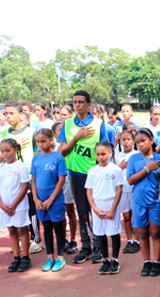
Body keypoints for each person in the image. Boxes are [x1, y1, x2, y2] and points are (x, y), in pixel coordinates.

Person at [59, 90, 114, 263]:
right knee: (82, 212)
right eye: (75, 102)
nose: (77, 105)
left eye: (81, 102)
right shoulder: (67, 124)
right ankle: (86, 246)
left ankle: (98, 246)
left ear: (88, 105)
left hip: (94, 174)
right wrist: (77, 137)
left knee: (95, 211)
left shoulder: (99, 124)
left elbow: (105, 149)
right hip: (75, 173)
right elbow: (63, 151)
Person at [1, 101, 42, 254]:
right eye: (6, 113)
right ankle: (19, 244)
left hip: (28, 177)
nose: (8, 116)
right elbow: (1, 156)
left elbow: (38, 153)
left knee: (30, 211)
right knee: (13, 211)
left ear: (20, 114)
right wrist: (14, 145)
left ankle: (35, 240)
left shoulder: (31, 132)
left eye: (12, 113)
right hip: (10, 178)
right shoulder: (4, 134)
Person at [127, 128, 160, 277]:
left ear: (151, 140)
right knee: (142, 233)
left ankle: (157, 262)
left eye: (143, 140)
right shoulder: (133, 159)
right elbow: (130, 180)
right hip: (138, 201)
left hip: (156, 201)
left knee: (155, 232)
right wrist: (147, 169)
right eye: (137, 142)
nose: (140, 144)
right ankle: (146, 261)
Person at [31, 128, 68, 272]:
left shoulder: (58, 158)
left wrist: (51, 199)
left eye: (43, 141)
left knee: (58, 228)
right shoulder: (36, 157)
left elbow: (61, 181)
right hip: (40, 200)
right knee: (46, 228)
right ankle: (50, 257)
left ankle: (60, 258)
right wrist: (35, 198)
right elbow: (33, 180)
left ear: (51, 140)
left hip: (55, 201)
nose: (40, 144)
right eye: (38, 142)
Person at [85, 141, 124, 274]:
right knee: (100, 233)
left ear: (110, 153)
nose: (100, 157)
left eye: (103, 154)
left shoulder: (116, 169)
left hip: (111, 203)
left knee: (113, 232)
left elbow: (119, 190)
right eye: (98, 154)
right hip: (97, 205)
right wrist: (94, 209)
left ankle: (115, 260)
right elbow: (89, 191)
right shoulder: (92, 171)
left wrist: (113, 208)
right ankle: (105, 260)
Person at [0, 139, 32, 272]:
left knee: (21, 230)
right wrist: (2, 205)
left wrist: (13, 205)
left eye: (8, 151)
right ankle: (16, 257)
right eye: (2, 151)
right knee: (11, 230)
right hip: (4, 207)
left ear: (16, 150)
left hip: (18, 206)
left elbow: (25, 187)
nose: (5, 154)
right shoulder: (1, 167)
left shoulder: (21, 166)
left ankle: (25, 257)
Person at [52, 121, 78, 254]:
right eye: (59, 130)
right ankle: (63, 239)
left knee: (70, 209)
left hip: (67, 179)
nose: (62, 132)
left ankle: (73, 238)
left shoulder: (70, 144)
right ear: (54, 135)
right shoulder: (51, 146)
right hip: (55, 182)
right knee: (59, 213)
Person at [115, 129, 140, 254]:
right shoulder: (116, 154)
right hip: (122, 188)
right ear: (119, 141)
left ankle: (137, 240)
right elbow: (113, 170)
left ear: (133, 141)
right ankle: (129, 240)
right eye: (123, 139)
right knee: (126, 216)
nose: (126, 142)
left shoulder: (136, 154)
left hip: (134, 188)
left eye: (128, 139)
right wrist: (119, 166)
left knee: (136, 215)